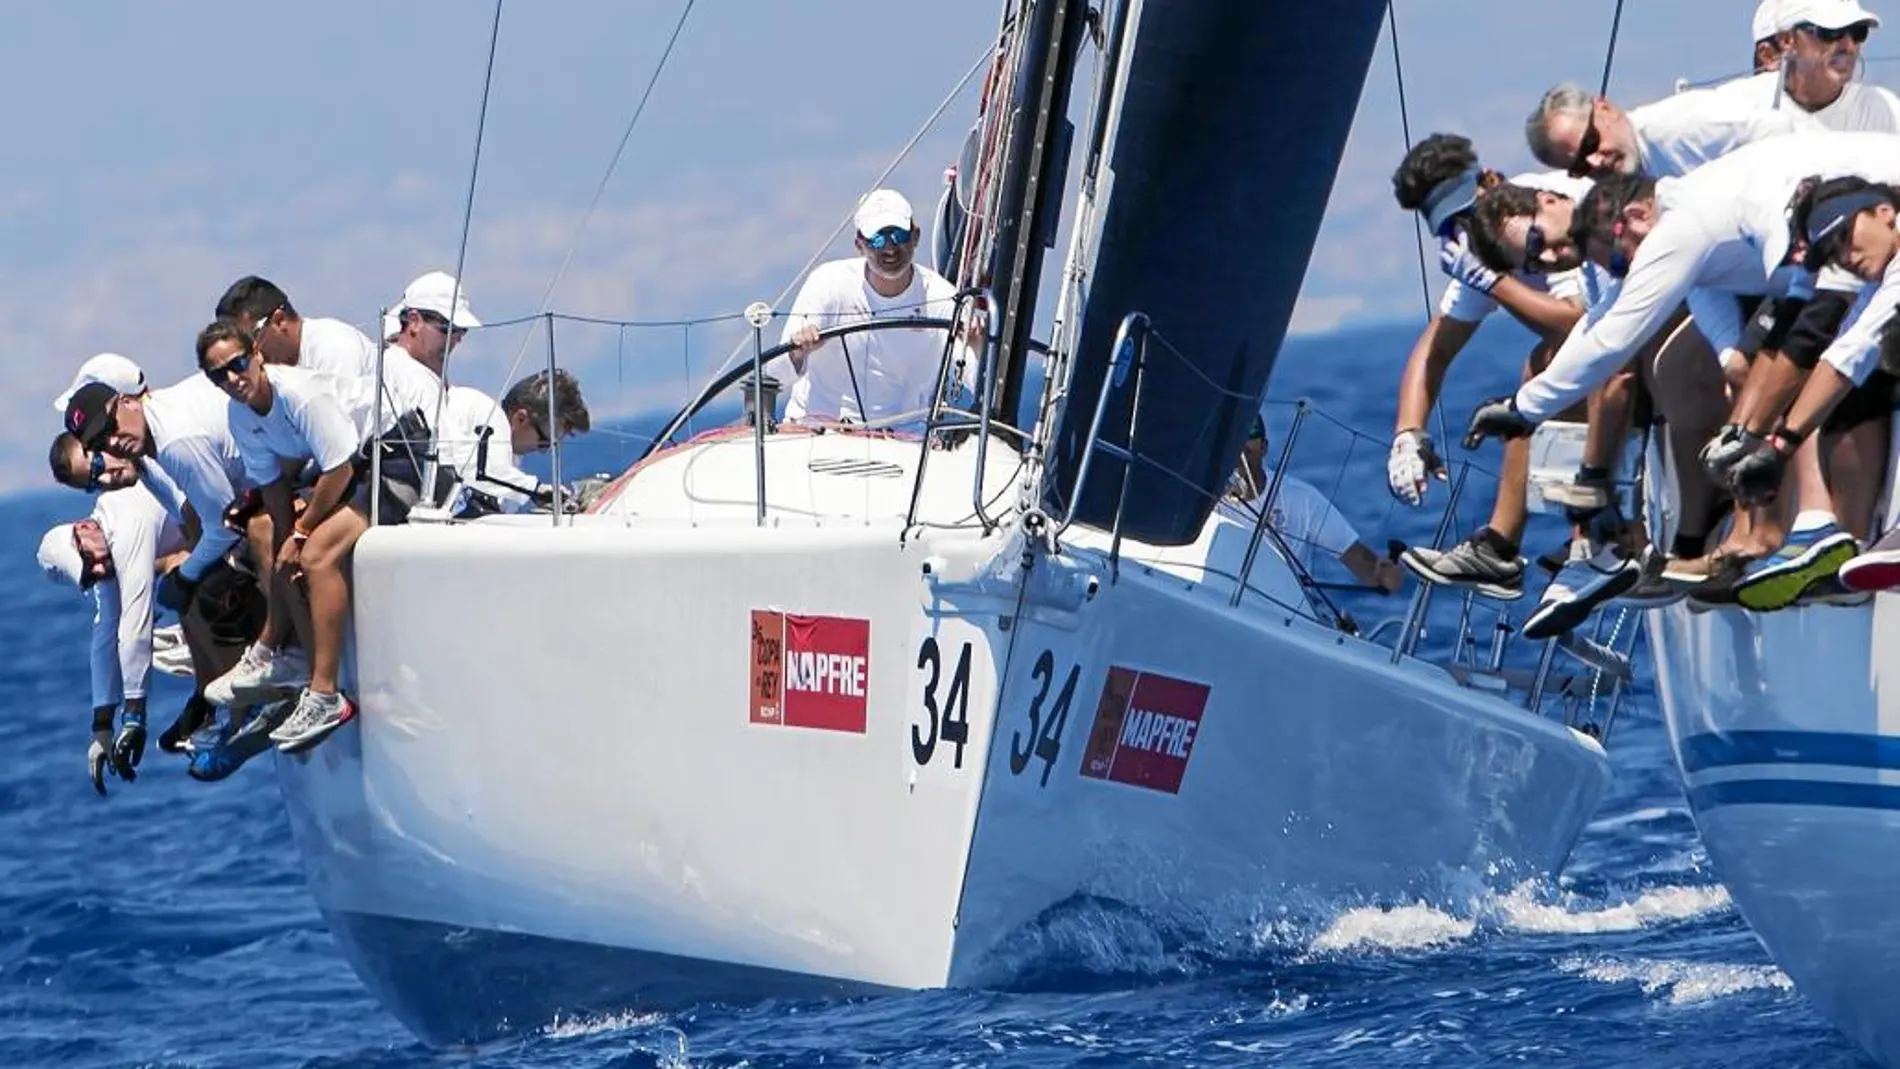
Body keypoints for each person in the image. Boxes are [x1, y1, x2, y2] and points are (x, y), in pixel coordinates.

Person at [1465, 131, 1900, 609]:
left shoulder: (1680, 226)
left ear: (1635, 218)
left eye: (1535, 241)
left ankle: (1819, 526)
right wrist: (1755, 433)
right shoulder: (1688, 215)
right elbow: (1608, 318)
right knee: (1817, 354)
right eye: (1532, 262)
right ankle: (1814, 527)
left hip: (1870, 212)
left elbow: (1615, 337)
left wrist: (1525, 409)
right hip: (1854, 238)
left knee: (1845, 345)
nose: (1547, 259)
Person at [1384, 133, 1625, 604]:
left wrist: (1494, 283)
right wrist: (1407, 435)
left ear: (1491, 181)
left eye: (1468, 217)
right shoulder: (1485, 247)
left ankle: (1555, 540)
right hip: (1615, 361)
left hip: (1646, 344)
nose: (1467, 234)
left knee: (1545, 366)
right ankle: (1536, 544)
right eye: (1453, 228)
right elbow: (1434, 350)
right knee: (1545, 368)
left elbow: (1580, 322)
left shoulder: (1541, 213)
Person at [192, 320, 370, 754]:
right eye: (219, 374)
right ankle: (284, 656)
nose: (233, 379)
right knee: (266, 533)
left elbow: (341, 469)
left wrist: (303, 532)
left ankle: (326, 693)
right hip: (340, 475)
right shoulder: (240, 413)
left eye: (237, 364)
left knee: (313, 556)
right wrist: (284, 538)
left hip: (380, 464)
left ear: (256, 353)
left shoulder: (299, 394)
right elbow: (272, 487)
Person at [37, 486, 190, 794]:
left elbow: (135, 623)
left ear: (85, 527)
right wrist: (102, 728)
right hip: (206, 534)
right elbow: (107, 630)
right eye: (88, 576)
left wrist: (134, 718)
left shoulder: (123, 524)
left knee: (173, 588)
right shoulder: (103, 550)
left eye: (88, 560)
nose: (97, 570)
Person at [777, 189, 971, 426]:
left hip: (906, 442)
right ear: (859, 244)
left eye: (898, 236)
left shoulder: (945, 298)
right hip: (818, 432)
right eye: (877, 239)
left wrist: (977, 344)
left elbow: (975, 377)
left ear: (916, 236)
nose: (889, 249)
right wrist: (798, 351)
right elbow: (776, 375)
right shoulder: (827, 282)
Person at [1227, 417, 1403, 594]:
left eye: (1248, 437)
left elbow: (1356, 557)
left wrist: (1382, 575)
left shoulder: (1302, 498)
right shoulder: (1202, 490)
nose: (1239, 447)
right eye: (1232, 438)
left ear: (1264, 447)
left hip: (1282, 607)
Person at [439, 369, 592, 516]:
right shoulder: (485, 413)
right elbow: (472, 468)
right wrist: (536, 489)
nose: (543, 451)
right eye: (544, 442)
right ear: (520, 419)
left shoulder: (511, 457)